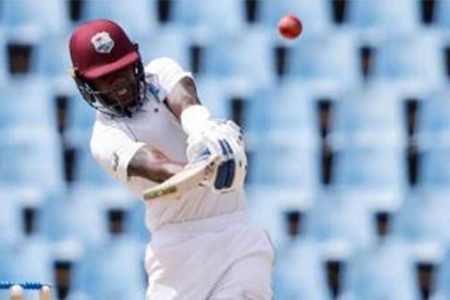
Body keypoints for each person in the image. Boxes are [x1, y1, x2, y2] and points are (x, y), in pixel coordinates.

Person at [68, 19, 274, 300]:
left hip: (236, 232)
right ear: (85, 83)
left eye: (122, 69)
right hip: (177, 250)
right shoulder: (105, 138)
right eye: (106, 76)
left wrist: (209, 135)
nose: (118, 82)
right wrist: (208, 168)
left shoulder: (160, 72)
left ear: (136, 60)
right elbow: (157, 166)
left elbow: (187, 104)